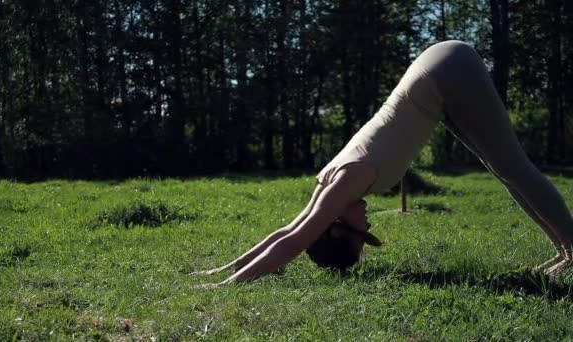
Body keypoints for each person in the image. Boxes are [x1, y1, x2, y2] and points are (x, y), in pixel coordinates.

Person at [191, 40, 573, 288]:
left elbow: (293, 242)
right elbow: (285, 231)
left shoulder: (344, 185)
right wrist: (221, 268)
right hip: (438, 76)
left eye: (361, 235)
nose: (369, 224)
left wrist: (226, 285)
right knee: (505, 170)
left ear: (337, 228)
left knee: (516, 167)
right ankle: (565, 250)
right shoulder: (329, 182)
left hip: (446, 73)